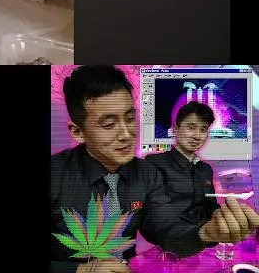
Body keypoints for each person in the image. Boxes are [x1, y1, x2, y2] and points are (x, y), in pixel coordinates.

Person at [50, 66, 259, 273]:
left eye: (130, 119)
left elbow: (166, 229)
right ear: (77, 132)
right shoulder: (55, 173)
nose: (127, 134)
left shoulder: (145, 172)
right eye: (109, 124)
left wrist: (206, 233)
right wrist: (80, 270)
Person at [146, 101, 221, 228]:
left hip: (207, 235)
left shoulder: (206, 169)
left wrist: (222, 214)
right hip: (171, 236)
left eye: (203, 130)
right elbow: (155, 213)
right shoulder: (155, 163)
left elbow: (211, 206)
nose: (197, 136)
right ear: (175, 129)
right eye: (191, 128)